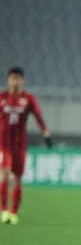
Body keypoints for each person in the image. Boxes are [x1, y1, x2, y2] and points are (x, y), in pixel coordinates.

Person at [0, 67, 52, 225]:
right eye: (12, 79)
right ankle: (4, 211)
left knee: (17, 178)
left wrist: (46, 133)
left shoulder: (28, 98)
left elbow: (38, 116)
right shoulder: (1, 98)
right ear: (8, 80)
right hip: (3, 144)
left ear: (22, 81)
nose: (15, 82)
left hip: (20, 146)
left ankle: (14, 213)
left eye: (18, 79)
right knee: (5, 173)